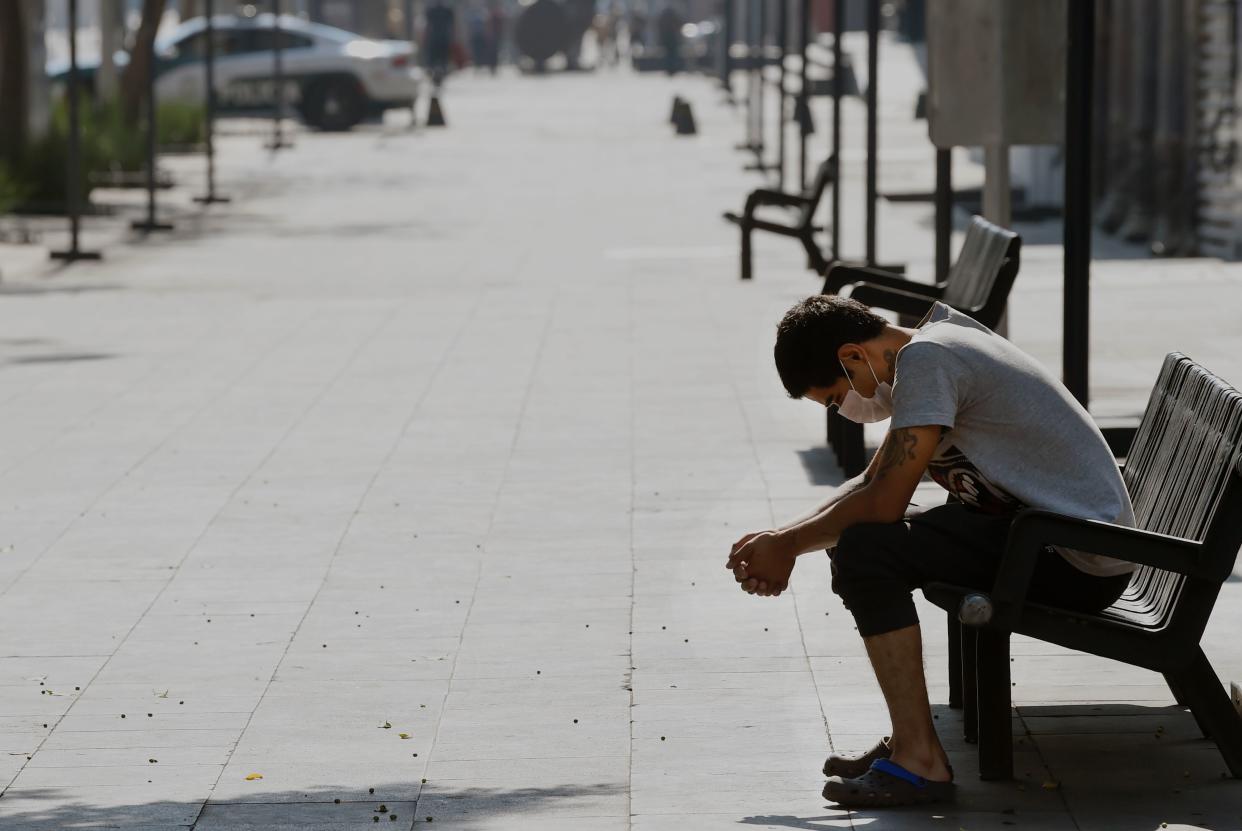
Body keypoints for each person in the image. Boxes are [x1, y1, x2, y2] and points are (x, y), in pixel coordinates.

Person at [726, 296, 1135, 808]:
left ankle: (919, 760)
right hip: (1049, 538)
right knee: (860, 543)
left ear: (853, 356)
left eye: (835, 397)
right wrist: (782, 537)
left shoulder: (927, 361)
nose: (846, 409)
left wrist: (786, 547)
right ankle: (908, 739)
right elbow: (871, 482)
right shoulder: (932, 345)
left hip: (1073, 557)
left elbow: (883, 503)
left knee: (866, 553)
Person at [424, 0, 456, 84]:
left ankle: (437, 73)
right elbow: (453, 26)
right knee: (441, 59)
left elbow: (428, 26)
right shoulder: (447, 10)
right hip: (441, 38)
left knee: (436, 59)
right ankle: (438, 73)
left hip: (436, 38)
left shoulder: (433, 10)